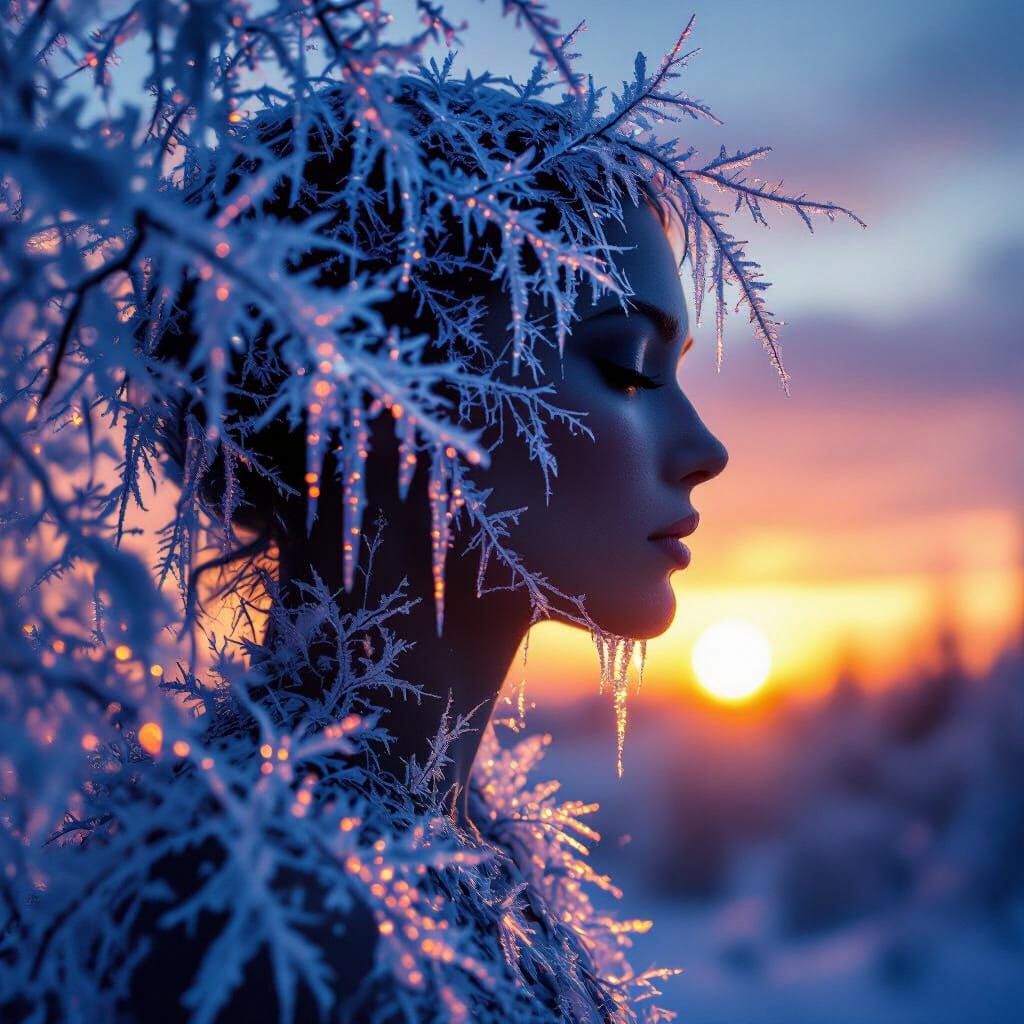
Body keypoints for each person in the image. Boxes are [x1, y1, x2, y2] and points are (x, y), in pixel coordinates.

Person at [1, 9, 856, 1023]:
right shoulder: (273, 921)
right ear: (387, 391)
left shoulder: (439, 861)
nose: (704, 448)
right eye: (628, 367)